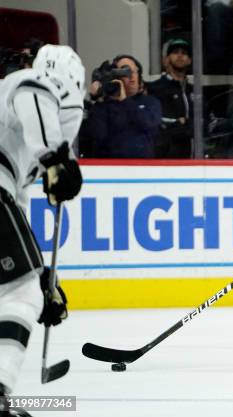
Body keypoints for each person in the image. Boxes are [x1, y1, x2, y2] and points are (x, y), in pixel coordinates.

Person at [0, 45, 84, 416]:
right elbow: (35, 92)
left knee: (22, 287)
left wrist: (40, 273)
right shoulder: (33, 82)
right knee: (21, 295)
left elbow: (12, 207)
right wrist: (53, 157)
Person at [82, 55, 162, 158]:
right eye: (125, 71)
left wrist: (125, 101)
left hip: (142, 168)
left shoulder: (150, 101)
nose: (131, 76)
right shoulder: (105, 106)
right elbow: (98, 135)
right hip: (111, 169)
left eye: (135, 71)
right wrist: (98, 99)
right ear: (115, 77)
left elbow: (149, 124)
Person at [147, 38, 200, 158]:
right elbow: (158, 123)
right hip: (165, 161)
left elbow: (204, 123)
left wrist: (185, 123)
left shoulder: (195, 91)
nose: (180, 56)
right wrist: (181, 124)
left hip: (194, 161)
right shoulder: (155, 89)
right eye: (175, 52)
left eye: (184, 53)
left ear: (190, 60)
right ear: (166, 60)